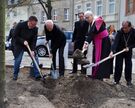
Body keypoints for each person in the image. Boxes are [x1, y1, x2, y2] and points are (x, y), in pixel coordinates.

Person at [82, 11, 112, 80]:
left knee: (102, 58)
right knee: (95, 57)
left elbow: (92, 33)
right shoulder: (91, 23)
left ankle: (100, 76)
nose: (87, 19)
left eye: (88, 17)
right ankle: (95, 74)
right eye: (85, 18)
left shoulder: (98, 21)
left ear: (92, 16)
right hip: (98, 42)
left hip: (104, 43)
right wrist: (86, 43)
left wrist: (86, 43)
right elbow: (90, 34)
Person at [13, 16, 41, 80]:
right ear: (29, 22)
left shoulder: (35, 29)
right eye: (33, 24)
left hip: (29, 44)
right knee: (18, 59)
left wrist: (33, 50)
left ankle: (37, 74)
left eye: (35, 25)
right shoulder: (20, 25)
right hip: (19, 44)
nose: (34, 26)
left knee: (35, 57)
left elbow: (34, 40)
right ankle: (15, 74)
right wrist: (23, 41)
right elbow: (15, 36)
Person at [110, 21, 135, 86]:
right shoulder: (119, 32)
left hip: (128, 50)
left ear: (130, 27)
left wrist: (129, 47)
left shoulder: (133, 32)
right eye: (123, 27)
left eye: (126, 28)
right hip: (119, 50)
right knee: (118, 65)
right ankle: (116, 80)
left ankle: (128, 80)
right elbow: (115, 42)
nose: (124, 29)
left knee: (128, 65)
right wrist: (112, 51)